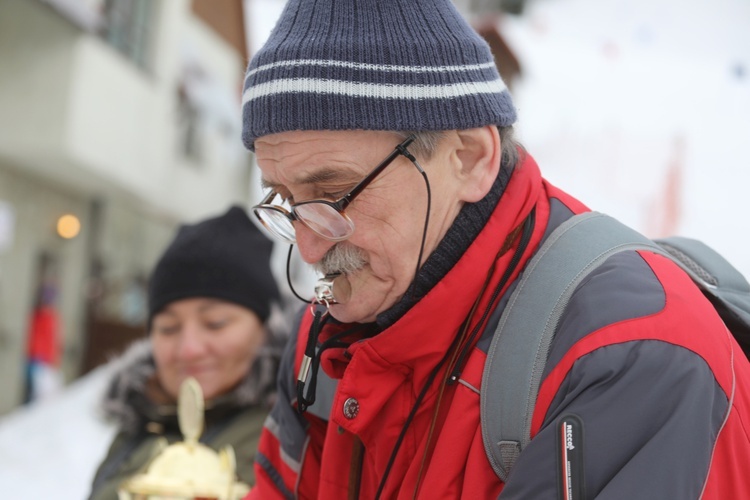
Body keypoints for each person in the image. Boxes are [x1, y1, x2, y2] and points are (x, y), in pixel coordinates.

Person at [240, 1, 750, 498]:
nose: (308, 248)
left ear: (469, 158)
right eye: (286, 199)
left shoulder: (633, 360)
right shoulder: (329, 337)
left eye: (333, 195)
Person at [88, 206, 284, 500]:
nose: (189, 349)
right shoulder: (141, 425)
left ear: (267, 329)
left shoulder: (292, 437)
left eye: (215, 324)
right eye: (168, 328)